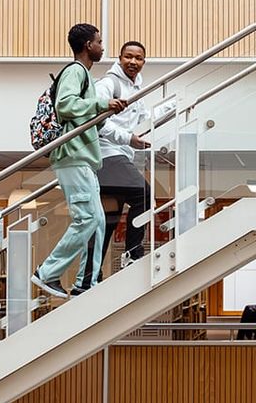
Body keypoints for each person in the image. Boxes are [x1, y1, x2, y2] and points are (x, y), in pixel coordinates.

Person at [30, 23, 127, 298]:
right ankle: (47, 274)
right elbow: (65, 105)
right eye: (99, 41)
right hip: (72, 156)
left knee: (96, 221)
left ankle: (87, 283)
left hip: (82, 157)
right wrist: (101, 104)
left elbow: (79, 113)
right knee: (87, 219)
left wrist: (104, 112)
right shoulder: (75, 71)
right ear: (88, 45)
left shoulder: (83, 75)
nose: (102, 46)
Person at [94, 41, 174, 272]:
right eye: (128, 57)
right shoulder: (108, 84)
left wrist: (169, 108)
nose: (133, 62)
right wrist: (128, 139)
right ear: (119, 59)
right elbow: (96, 121)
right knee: (144, 195)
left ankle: (92, 273)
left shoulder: (136, 87)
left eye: (138, 58)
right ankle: (132, 253)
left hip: (120, 155)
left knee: (109, 219)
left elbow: (141, 119)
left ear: (143, 62)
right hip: (107, 153)